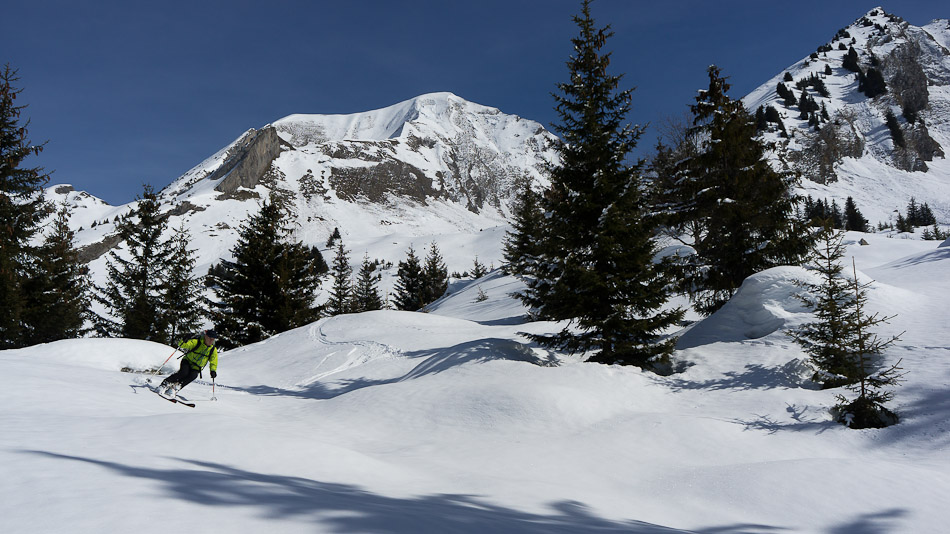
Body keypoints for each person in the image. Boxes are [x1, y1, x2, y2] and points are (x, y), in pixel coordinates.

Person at [158, 330, 219, 398]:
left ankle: (175, 388)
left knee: (193, 376)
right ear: (205, 336)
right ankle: (165, 383)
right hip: (187, 361)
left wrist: (213, 370)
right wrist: (184, 339)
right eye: (210, 338)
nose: (211, 341)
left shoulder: (213, 350)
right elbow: (183, 345)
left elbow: (214, 361)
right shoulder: (197, 342)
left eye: (213, 339)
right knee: (184, 373)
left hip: (197, 367)